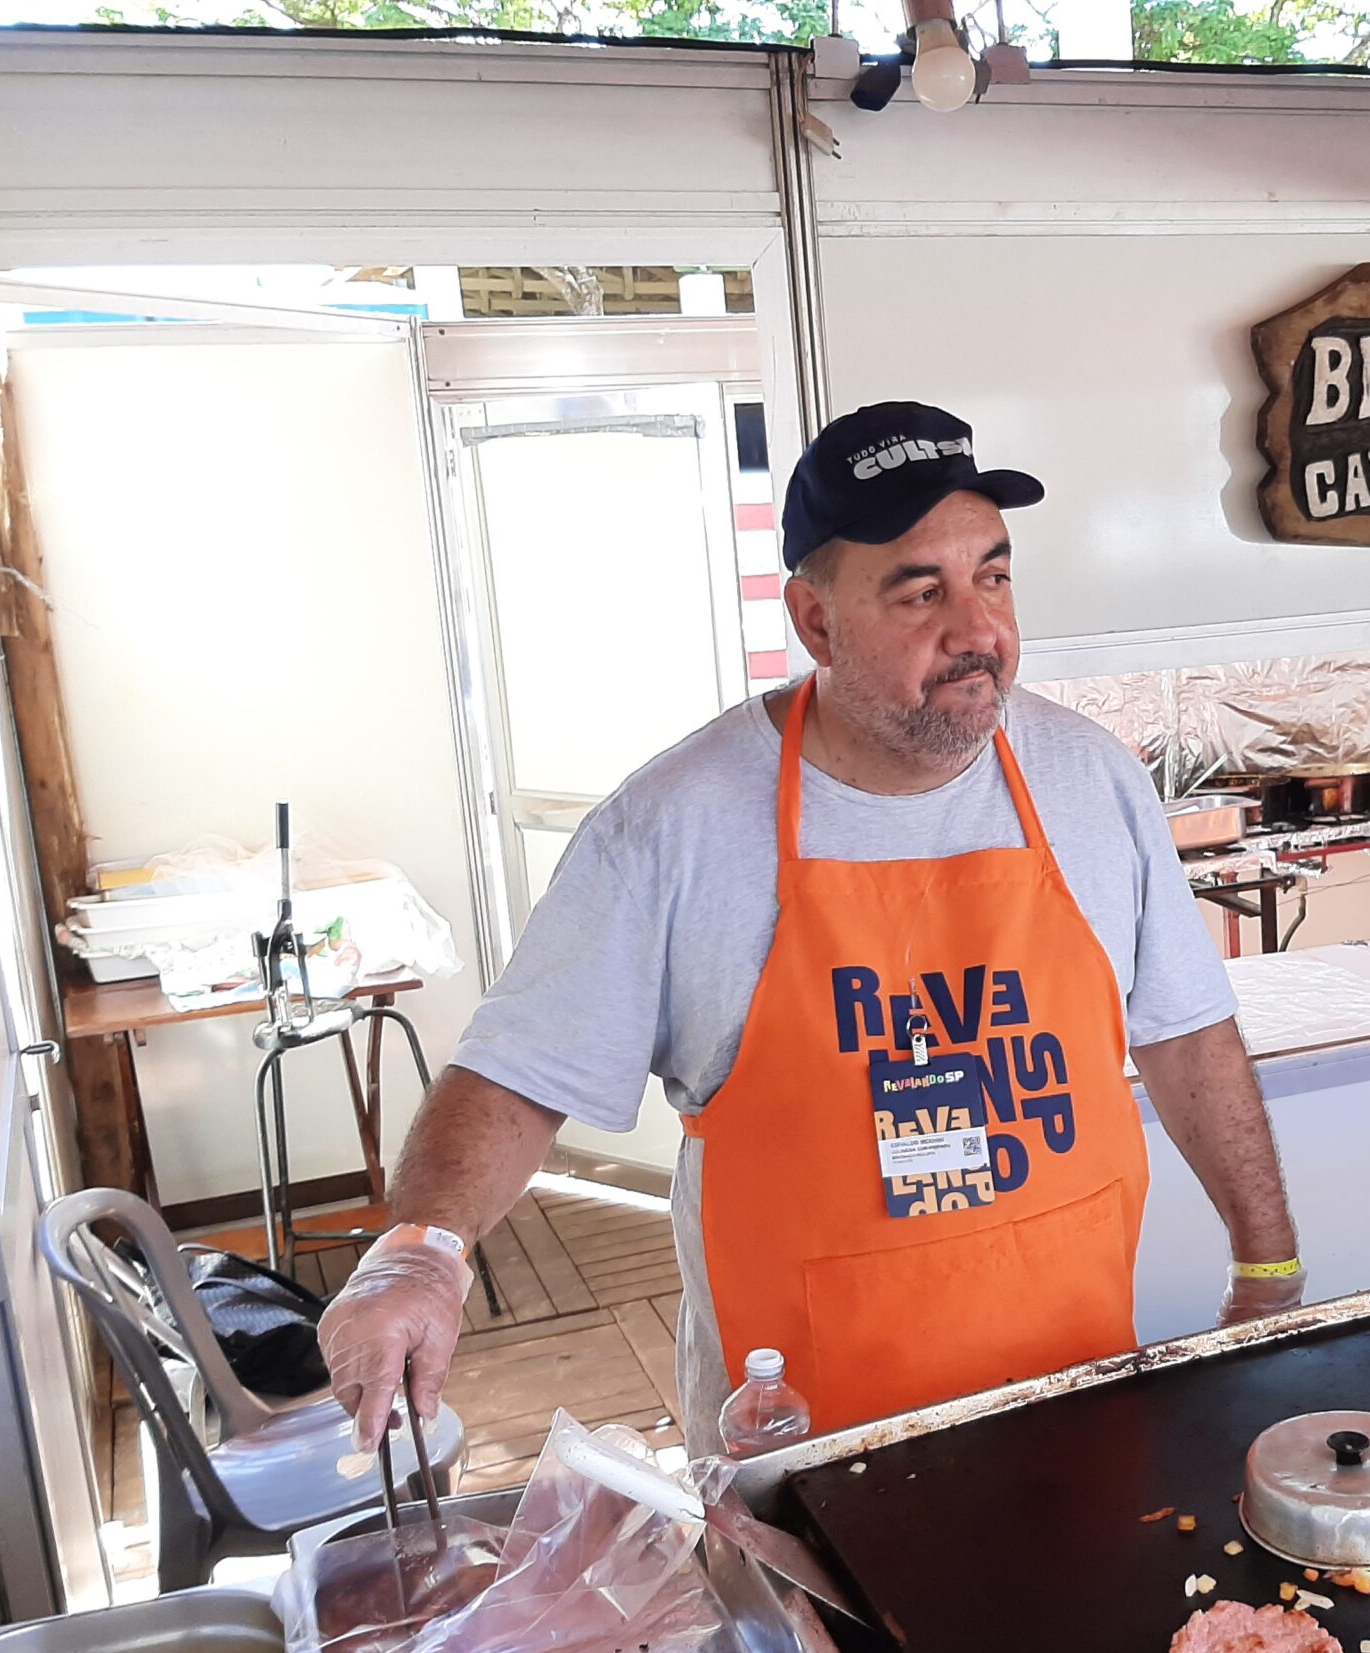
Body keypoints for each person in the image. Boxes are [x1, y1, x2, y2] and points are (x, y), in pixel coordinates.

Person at [318, 400, 1303, 1453]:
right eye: (921, 591)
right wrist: (421, 1252)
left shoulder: (1089, 778)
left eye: (994, 576)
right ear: (816, 620)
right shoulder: (675, 825)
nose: (977, 631)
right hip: (800, 1440)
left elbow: (1188, 1036)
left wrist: (1270, 1266)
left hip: (1077, 1393)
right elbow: (519, 1077)